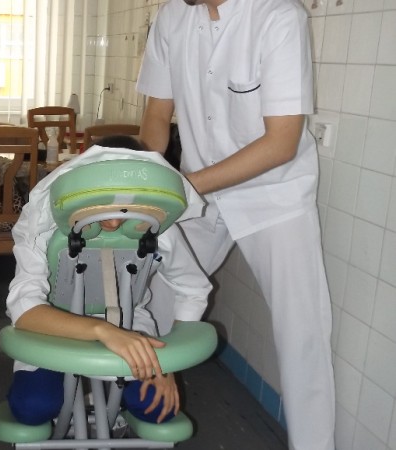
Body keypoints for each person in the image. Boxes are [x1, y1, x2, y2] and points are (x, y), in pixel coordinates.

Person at [136, 1, 335, 449]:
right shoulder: (172, 17)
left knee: (301, 333)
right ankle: (141, 413)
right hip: (199, 188)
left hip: (273, 194)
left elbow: (281, 143)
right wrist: (147, 182)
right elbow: (156, 115)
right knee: (152, 297)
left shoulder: (278, 16)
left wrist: (183, 188)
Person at [5, 136, 211, 426]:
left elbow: (193, 289)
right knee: (32, 407)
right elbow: (24, 309)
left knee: (156, 408)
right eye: (106, 201)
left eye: (128, 204)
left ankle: (108, 401)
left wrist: (167, 364)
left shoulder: (155, 229)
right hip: (54, 328)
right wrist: (102, 331)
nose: (113, 222)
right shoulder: (42, 227)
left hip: (130, 324)